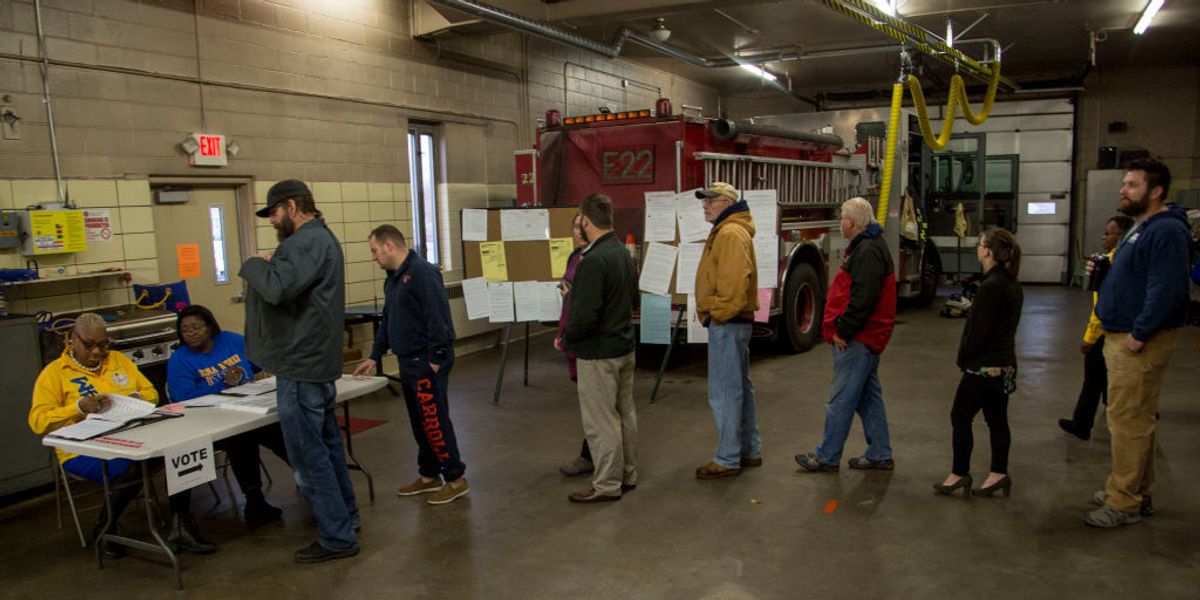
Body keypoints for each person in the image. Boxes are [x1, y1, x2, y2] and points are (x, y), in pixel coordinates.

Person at [239, 179, 360, 563]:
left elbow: (276, 288)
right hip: (315, 364)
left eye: (274, 212)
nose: (273, 221)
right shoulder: (320, 240)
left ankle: (338, 537)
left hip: (300, 367)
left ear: (292, 206)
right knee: (326, 449)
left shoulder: (305, 241)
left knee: (310, 457)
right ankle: (346, 520)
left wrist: (255, 263)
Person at [28, 313, 216, 557]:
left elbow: (150, 392)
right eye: (89, 345)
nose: (97, 352)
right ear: (72, 339)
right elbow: (37, 421)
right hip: (83, 448)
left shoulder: (117, 360)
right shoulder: (54, 373)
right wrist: (77, 408)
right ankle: (105, 528)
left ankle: (181, 526)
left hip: (131, 435)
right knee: (131, 467)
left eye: (103, 345)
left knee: (181, 449)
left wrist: (134, 400)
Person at [1085, 158, 1191, 528]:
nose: (1123, 190)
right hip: (1123, 333)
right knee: (1136, 418)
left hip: (1138, 341)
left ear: (1155, 190)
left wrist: (1139, 334)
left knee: (1127, 421)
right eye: (1124, 184)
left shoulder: (1165, 232)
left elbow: (1167, 290)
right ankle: (1136, 488)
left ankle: (1124, 502)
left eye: (1131, 185)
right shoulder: (1142, 227)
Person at [352, 224, 469, 506]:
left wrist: (436, 360)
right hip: (408, 362)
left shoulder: (423, 273)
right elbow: (388, 320)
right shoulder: (392, 278)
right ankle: (429, 475)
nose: (374, 257)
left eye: (375, 250)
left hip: (426, 363)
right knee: (420, 423)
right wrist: (374, 355)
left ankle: (455, 479)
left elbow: (438, 318)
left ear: (390, 246)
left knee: (434, 421)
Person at [795, 197, 897, 473]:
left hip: (859, 339)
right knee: (868, 396)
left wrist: (843, 330)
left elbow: (863, 298)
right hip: (868, 337)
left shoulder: (867, 252)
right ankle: (880, 453)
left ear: (850, 223)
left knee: (841, 399)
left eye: (841, 216)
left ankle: (826, 456)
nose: (839, 221)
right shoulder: (869, 247)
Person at [166, 304, 290, 523]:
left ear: (210, 327)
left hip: (247, 408)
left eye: (196, 327)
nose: (191, 333)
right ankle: (254, 500)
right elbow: (183, 397)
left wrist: (249, 371)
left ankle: (311, 481)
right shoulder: (180, 360)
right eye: (185, 330)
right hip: (208, 421)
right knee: (241, 439)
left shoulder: (230, 340)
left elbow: (258, 360)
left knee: (281, 430)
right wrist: (222, 384)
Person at [933, 227, 1023, 498]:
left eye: (981, 244)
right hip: (1005, 365)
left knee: (960, 416)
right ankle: (999, 472)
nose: (977, 248)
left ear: (988, 251)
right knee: (997, 420)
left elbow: (978, 332)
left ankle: (959, 473)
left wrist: (964, 358)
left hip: (983, 367)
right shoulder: (1011, 283)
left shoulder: (990, 288)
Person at [561, 193, 639, 503]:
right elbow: (633, 300)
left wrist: (567, 340)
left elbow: (584, 316)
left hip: (598, 354)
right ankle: (627, 474)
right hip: (624, 348)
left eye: (579, 218)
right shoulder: (622, 253)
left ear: (586, 222)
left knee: (601, 422)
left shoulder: (593, 261)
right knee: (624, 415)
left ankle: (606, 484)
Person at [692, 182, 762, 480]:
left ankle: (728, 457)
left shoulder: (731, 233)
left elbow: (734, 284)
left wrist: (716, 314)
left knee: (724, 391)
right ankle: (748, 449)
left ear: (726, 202)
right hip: (733, 322)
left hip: (728, 322)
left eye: (710, 201)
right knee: (739, 388)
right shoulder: (729, 229)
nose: (704, 206)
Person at [1057, 214, 1134, 441]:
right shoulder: (1119, 261)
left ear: (1122, 236)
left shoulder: (1111, 265)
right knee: (1104, 377)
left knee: (1093, 378)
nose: (1104, 237)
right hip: (1118, 329)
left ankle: (1082, 423)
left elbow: (1100, 306)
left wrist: (1089, 338)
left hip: (1106, 331)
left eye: (1108, 233)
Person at [554, 213, 594, 477]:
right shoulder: (574, 256)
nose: (578, 232)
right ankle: (592, 453)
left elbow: (588, 305)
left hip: (588, 340)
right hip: (571, 334)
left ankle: (591, 456)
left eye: (583, 227)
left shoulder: (597, 259)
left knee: (596, 404)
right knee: (587, 400)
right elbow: (571, 292)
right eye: (575, 226)